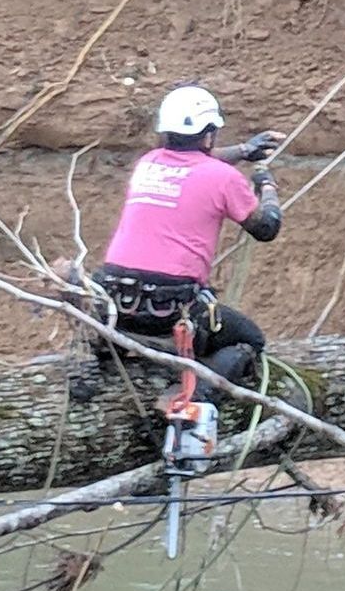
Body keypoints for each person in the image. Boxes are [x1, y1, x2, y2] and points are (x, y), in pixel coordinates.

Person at [91, 85, 284, 397]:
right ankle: (198, 399)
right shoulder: (224, 178)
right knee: (249, 340)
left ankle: (113, 352)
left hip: (114, 302)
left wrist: (245, 151)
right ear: (208, 135)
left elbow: (192, 161)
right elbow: (267, 228)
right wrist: (267, 185)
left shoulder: (148, 164)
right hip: (171, 310)